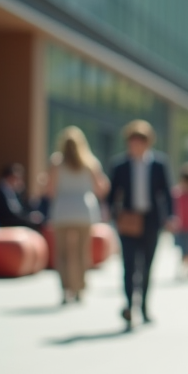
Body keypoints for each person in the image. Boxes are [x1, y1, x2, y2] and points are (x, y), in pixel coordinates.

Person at [107, 120, 173, 329]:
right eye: (131, 141)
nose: (134, 145)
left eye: (139, 141)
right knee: (128, 265)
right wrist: (113, 214)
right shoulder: (120, 166)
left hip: (151, 220)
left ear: (147, 143)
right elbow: (111, 195)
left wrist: (170, 216)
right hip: (128, 221)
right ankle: (129, 305)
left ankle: (143, 306)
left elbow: (167, 193)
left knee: (146, 266)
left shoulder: (159, 164)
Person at [46, 127, 109, 305]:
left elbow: (50, 189)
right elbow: (101, 188)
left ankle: (66, 289)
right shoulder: (90, 162)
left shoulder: (56, 162)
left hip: (63, 209)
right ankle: (80, 288)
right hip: (84, 209)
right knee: (82, 252)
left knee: (63, 253)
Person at [0, 163, 43, 229]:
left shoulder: (15, 192)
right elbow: (7, 216)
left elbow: (22, 209)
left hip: (16, 222)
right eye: (17, 178)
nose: (19, 181)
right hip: (5, 226)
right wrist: (27, 220)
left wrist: (30, 216)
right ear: (9, 177)